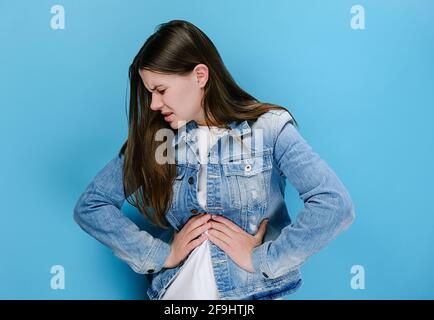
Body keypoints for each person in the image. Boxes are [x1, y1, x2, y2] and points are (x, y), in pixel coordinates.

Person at [73, 19, 355, 300]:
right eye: (149, 93)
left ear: (200, 75)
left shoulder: (269, 129)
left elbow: (334, 204)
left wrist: (266, 259)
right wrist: (161, 254)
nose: (154, 104)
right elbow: (91, 206)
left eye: (161, 90)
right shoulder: (160, 140)